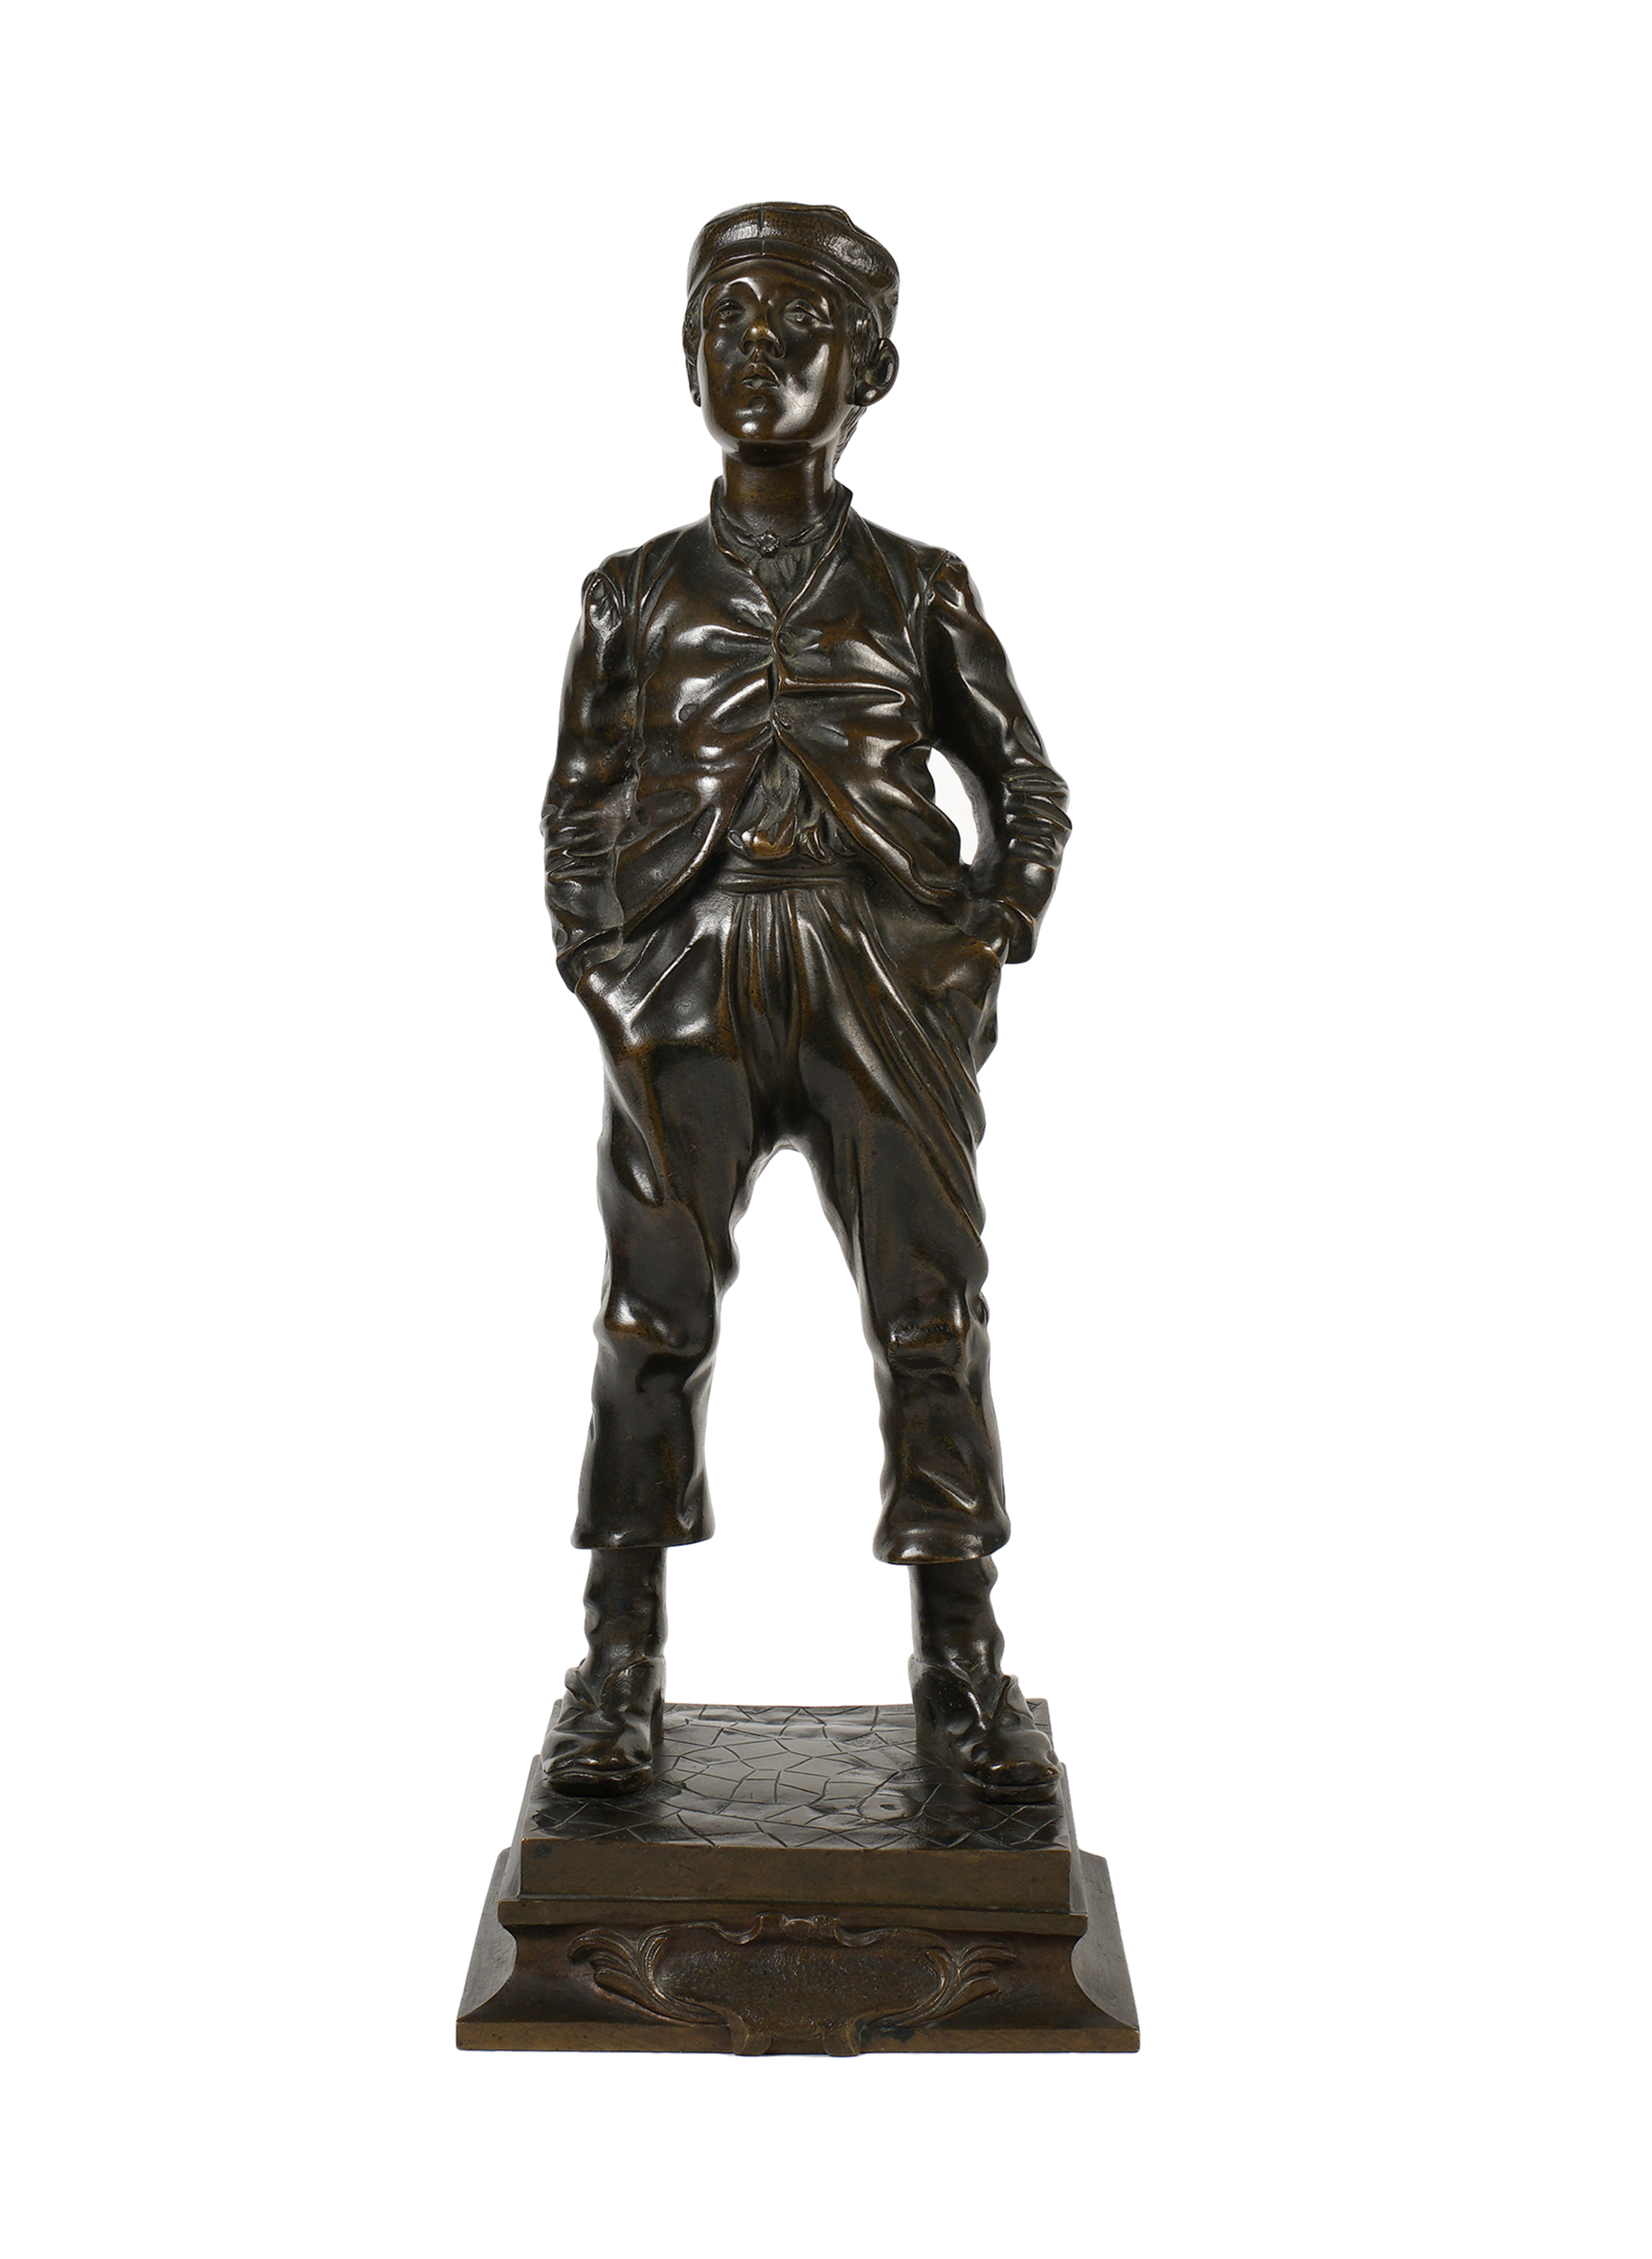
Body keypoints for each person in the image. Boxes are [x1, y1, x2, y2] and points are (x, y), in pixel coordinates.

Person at [539, 203, 1071, 1801]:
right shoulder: (632, 592)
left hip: (878, 973)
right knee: (651, 1317)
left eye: (796, 330)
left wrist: (987, 936)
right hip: (686, 974)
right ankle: (618, 1656)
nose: (754, 357)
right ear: (684, 357)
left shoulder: (919, 587)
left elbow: (1024, 782)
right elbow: (579, 801)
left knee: (931, 1314)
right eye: (727, 325)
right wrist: (605, 966)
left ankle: (960, 1657)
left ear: (870, 372)